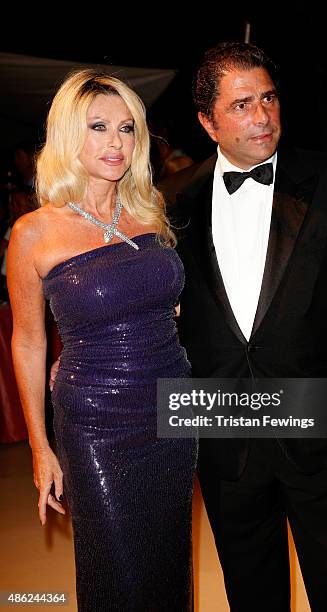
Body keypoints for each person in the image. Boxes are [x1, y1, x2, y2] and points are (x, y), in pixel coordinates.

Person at [161, 42, 327, 611]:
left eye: (268, 98)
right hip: (221, 430)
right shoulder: (172, 201)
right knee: (250, 589)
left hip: (325, 420)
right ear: (207, 121)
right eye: (241, 104)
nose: (263, 116)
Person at [8, 69, 197, 612]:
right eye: (98, 127)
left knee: (169, 563)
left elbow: (172, 308)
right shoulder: (35, 232)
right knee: (119, 573)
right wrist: (41, 449)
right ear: (69, 135)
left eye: (127, 129)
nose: (116, 143)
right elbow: (27, 341)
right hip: (96, 424)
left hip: (172, 414)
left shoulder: (149, 213)